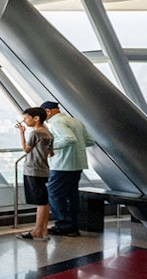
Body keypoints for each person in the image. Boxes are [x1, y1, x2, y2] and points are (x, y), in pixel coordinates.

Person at [41, 100, 94, 237]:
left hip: (62, 165)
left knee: (54, 193)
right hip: (77, 164)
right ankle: (72, 226)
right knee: (71, 196)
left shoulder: (57, 122)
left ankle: (63, 225)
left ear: (48, 111)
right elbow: (89, 141)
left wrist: (49, 146)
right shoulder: (75, 121)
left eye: (43, 114)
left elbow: (69, 138)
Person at [16, 107, 54, 241]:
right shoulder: (48, 133)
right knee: (44, 200)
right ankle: (44, 230)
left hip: (33, 169)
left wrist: (22, 133)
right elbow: (51, 153)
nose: (25, 121)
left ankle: (37, 231)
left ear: (36, 118)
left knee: (41, 201)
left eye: (26, 118)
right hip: (44, 169)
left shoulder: (35, 134)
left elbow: (26, 149)